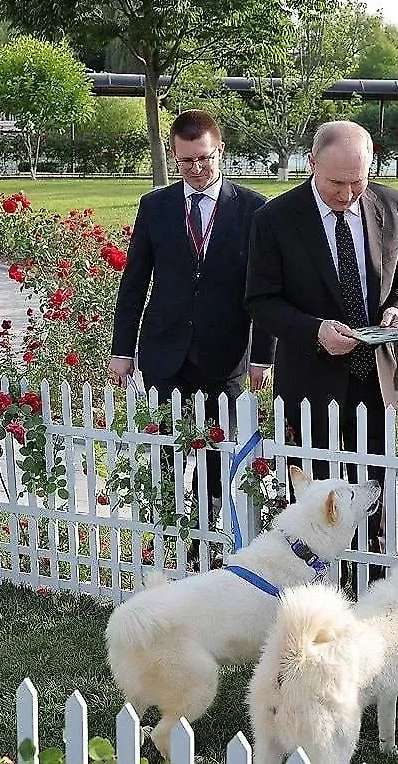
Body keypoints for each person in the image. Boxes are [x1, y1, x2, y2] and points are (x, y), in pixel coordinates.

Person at [245, 120, 398, 559]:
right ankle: (318, 579)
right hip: (310, 382)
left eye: (357, 181)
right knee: (315, 500)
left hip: (375, 381)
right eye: (336, 183)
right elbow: (261, 302)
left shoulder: (390, 203)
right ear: (311, 164)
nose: (347, 194)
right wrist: (315, 330)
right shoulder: (275, 219)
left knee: (373, 492)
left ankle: (371, 578)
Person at [109, 110, 274, 516]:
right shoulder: (155, 207)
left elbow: (267, 289)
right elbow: (134, 283)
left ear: (220, 150)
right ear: (173, 155)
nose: (197, 169)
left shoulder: (254, 209)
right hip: (165, 352)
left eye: (205, 158)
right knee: (163, 451)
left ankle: (210, 531)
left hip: (226, 355)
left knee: (218, 455)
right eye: (186, 160)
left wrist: (261, 356)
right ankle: (169, 532)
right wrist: (122, 348)